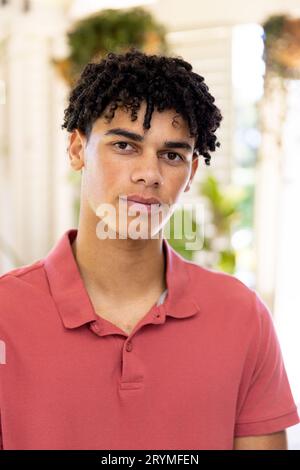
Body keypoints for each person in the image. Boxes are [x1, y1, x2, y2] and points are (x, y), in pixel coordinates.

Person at [0, 49, 298, 450]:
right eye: (125, 146)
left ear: (190, 174)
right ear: (76, 149)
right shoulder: (6, 313)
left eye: (171, 155)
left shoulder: (242, 317)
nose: (149, 174)